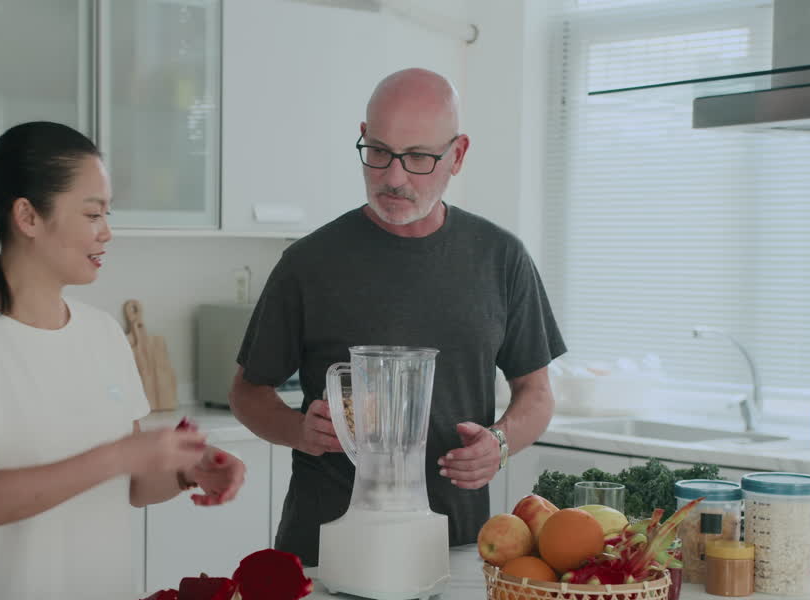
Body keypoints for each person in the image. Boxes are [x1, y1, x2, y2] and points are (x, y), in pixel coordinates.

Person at [0, 121, 245, 600]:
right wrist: (121, 453)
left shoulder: (102, 334)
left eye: (107, 214)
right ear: (28, 216)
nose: (106, 231)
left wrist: (186, 469)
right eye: (92, 213)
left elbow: (130, 485)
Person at [229, 68, 566, 567]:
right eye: (380, 152)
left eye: (418, 159)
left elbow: (535, 393)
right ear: (363, 137)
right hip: (325, 550)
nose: (392, 177)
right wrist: (297, 428)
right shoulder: (308, 263)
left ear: (458, 154)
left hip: (456, 547)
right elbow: (247, 392)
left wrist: (499, 441)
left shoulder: (501, 258)